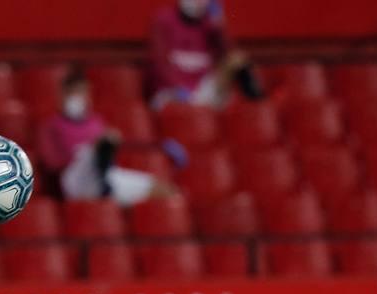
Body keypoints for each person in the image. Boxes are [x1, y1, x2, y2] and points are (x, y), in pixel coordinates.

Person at [37, 68, 176, 207]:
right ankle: (106, 187)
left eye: (83, 93)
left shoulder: (96, 123)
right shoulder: (50, 126)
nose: (79, 97)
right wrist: (82, 151)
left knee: (163, 190)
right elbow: (51, 163)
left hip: (106, 175)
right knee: (91, 151)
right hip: (74, 178)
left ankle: (107, 189)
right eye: (74, 92)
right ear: (63, 95)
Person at [148, 0, 261, 108]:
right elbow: (159, 64)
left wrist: (219, 25)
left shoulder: (209, 22)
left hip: (204, 90)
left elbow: (229, 52)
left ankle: (257, 102)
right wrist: (178, 90)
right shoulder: (164, 19)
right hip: (174, 92)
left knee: (237, 59)